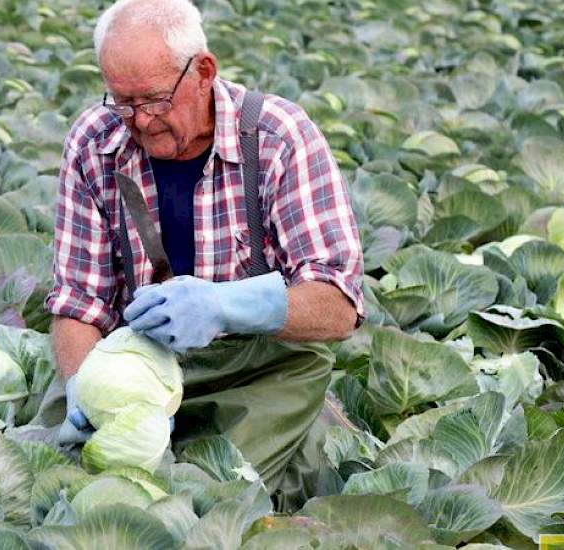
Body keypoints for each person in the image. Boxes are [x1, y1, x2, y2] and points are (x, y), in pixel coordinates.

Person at [43, 0, 364, 510]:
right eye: (122, 102)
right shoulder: (95, 142)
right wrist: (85, 386)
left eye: (153, 99)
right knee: (63, 487)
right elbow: (78, 301)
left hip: (257, 368)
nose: (140, 121)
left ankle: (314, 425)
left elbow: (339, 305)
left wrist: (225, 306)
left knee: (206, 501)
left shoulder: (278, 138)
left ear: (204, 72)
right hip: (137, 360)